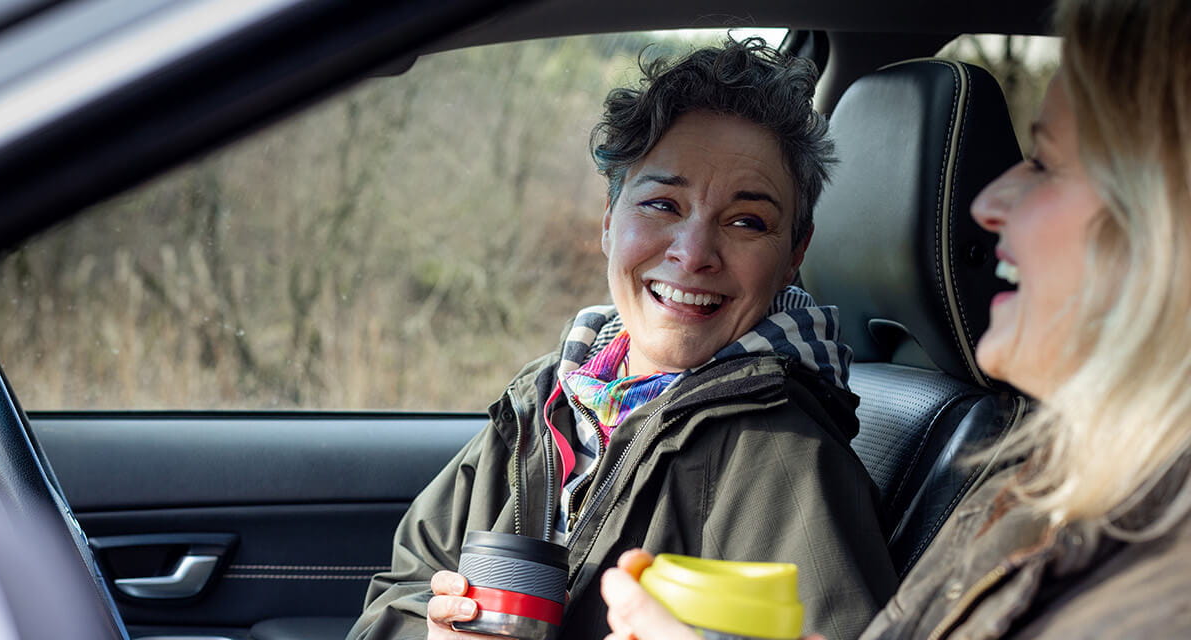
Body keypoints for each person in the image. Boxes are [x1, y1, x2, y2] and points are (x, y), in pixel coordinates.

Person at [601, 1, 1191, 638]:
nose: (988, 203)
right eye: (661, 202)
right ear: (606, 221)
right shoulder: (1040, 497)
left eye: (1045, 163)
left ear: (1166, 226)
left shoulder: (1153, 588)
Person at [350, 38, 897, 640]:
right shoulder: (547, 399)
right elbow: (402, 587)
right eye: (663, 203)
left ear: (794, 255)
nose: (693, 254)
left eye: (746, 221)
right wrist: (432, 629)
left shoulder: (785, 457)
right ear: (609, 222)